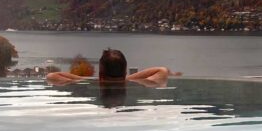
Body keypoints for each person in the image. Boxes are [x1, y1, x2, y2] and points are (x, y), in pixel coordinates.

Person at [46, 49, 177, 86]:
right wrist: (127, 78)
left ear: (100, 74)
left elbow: (51, 76)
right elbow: (162, 70)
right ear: (125, 71)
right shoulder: (132, 82)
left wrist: (80, 78)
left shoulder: (92, 83)